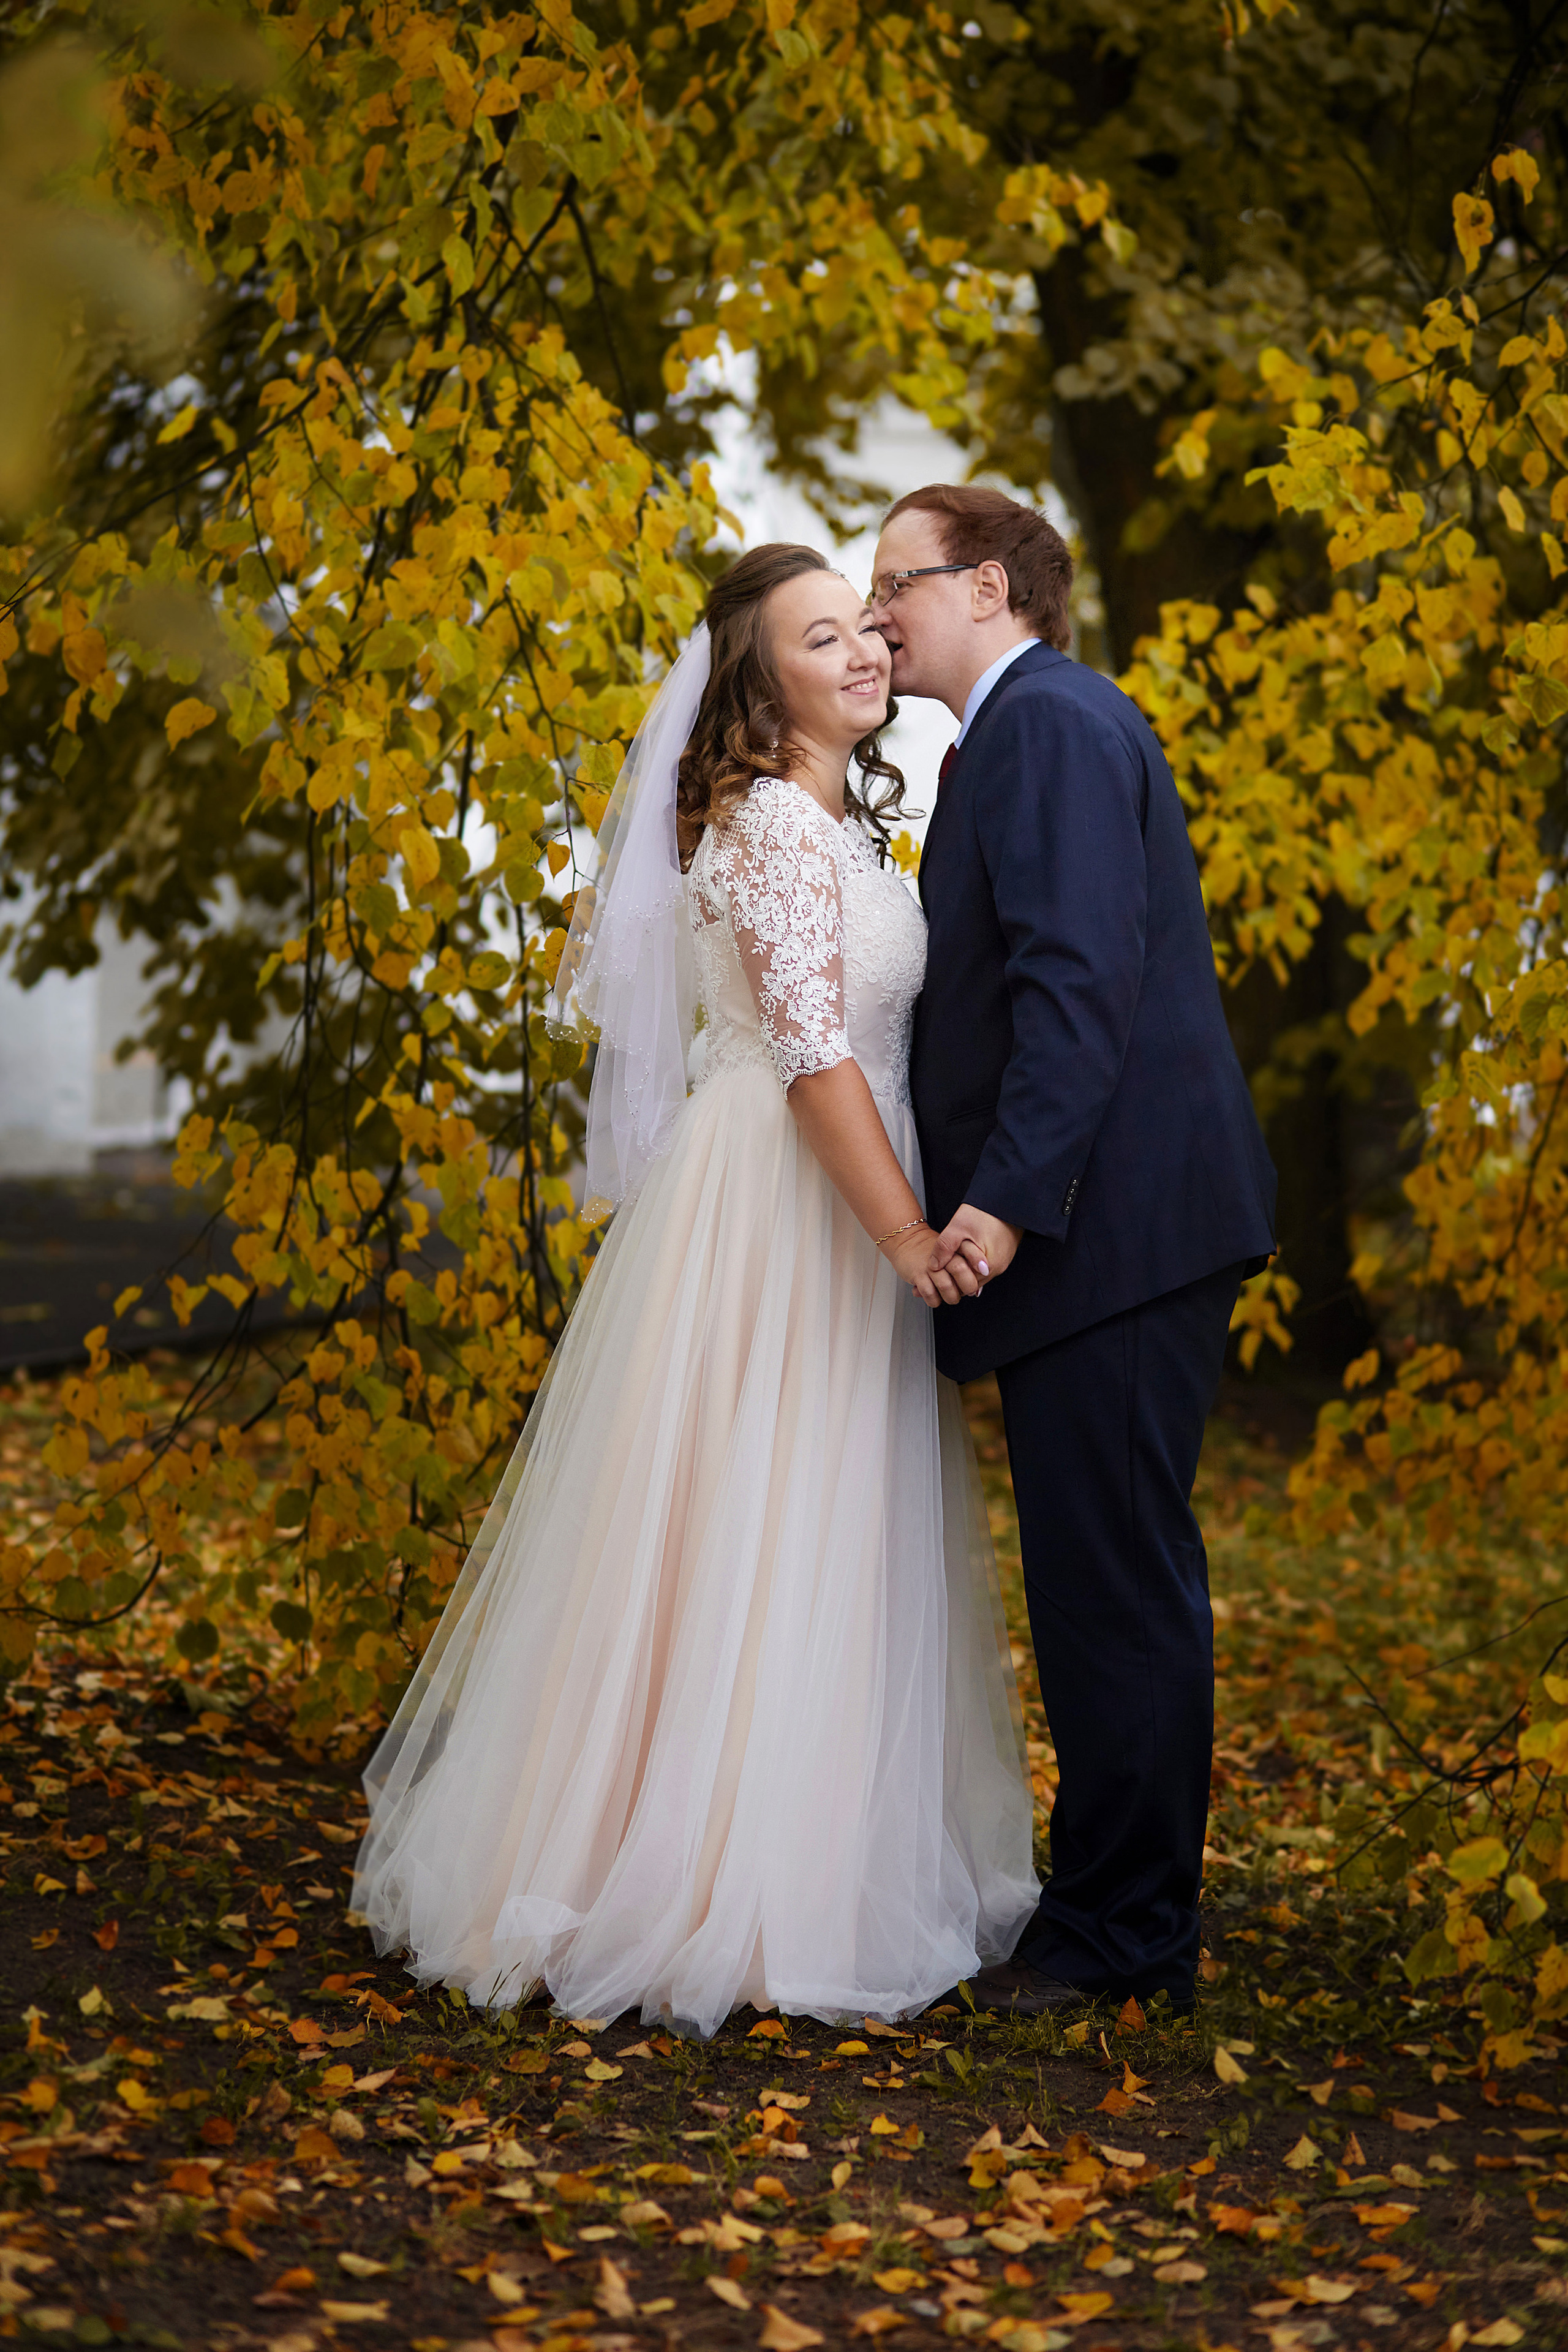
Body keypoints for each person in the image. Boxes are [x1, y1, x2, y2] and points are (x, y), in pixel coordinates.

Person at [352, 543, 1038, 2036]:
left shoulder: (831, 824)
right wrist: (907, 1237)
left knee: (793, 1517)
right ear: (758, 683)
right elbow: (809, 1056)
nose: (861, 649)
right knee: (752, 1511)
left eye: (864, 625)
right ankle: (702, 1874)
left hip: (828, 1182)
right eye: (820, 638)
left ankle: (781, 1842)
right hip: (789, 1203)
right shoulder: (777, 837)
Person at [869, 484, 1278, 2015]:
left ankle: (1124, 1942)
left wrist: (1003, 1198)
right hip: (1109, 1226)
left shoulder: (1044, 725)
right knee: (1106, 1576)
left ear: (985, 586)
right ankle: (1105, 1911)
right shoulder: (1032, 728)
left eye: (894, 581)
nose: (878, 611)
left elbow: (1075, 983)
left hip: (1106, 1232)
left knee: (1111, 1584)